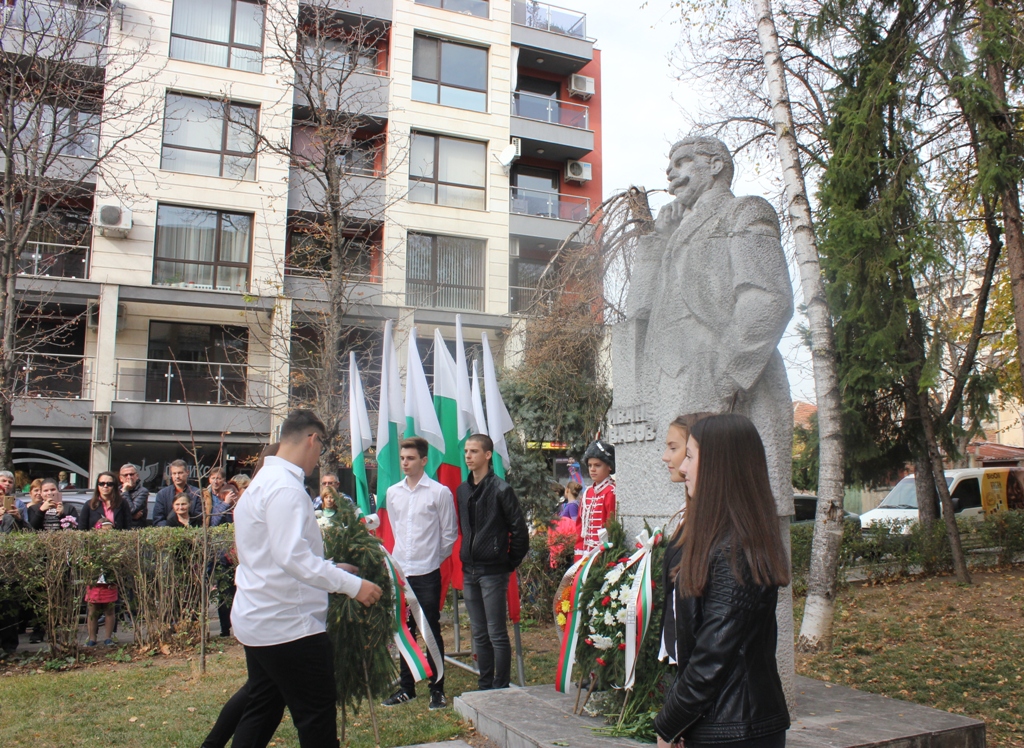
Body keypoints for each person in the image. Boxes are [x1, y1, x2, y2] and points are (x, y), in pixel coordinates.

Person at [225, 410, 382, 747]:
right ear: (313, 439)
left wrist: (331, 569)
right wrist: (354, 586)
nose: (317, 460)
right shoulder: (285, 488)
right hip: (289, 627)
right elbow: (292, 557)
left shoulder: (262, 484)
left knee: (262, 710)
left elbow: (276, 554)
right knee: (316, 720)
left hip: (262, 617)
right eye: (321, 447)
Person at [654, 414, 791, 748]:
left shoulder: (737, 550)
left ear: (719, 465)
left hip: (736, 730)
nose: (682, 467)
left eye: (689, 455)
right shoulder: (720, 537)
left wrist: (668, 725)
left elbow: (712, 659)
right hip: (719, 723)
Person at [380, 437, 458, 710]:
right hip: (401, 573)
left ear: (424, 460)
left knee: (430, 629)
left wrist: (430, 561)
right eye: (402, 457)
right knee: (404, 629)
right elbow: (397, 528)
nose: (405, 462)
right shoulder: (393, 493)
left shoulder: (439, 493)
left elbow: (448, 535)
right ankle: (406, 687)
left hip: (427, 572)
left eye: (410, 458)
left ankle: (437, 689)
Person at [457, 434, 529, 691]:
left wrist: (509, 561)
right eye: (466, 451)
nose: (468, 456)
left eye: (474, 451)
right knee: (478, 633)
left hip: (494, 571)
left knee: (496, 632)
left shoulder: (501, 489)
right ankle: (484, 683)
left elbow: (519, 530)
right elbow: (465, 528)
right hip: (470, 570)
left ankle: (500, 685)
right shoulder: (462, 490)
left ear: (487, 455)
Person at [576, 440, 616, 559]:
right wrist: (578, 555)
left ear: (609, 466)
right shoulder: (587, 492)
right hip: (585, 553)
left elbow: (611, 527)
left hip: (602, 555)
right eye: (590, 465)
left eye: (597, 465)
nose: (592, 469)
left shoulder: (611, 491)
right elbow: (580, 526)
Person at [152, 460, 202, 527]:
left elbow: (199, 517)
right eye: (174, 473)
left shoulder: (197, 493)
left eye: (180, 473)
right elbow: (158, 519)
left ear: (187, 472)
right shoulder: (162, 494)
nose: (177, 476)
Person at [119, 463, 149, 528]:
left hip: (135, 531)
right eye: (125, 475)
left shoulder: (143, 491)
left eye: (131, 474)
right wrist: (131, 516)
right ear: (121, 478)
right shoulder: (116, 491)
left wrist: (124, 492)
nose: (129, 477)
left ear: (137, 476)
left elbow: (132, 510)